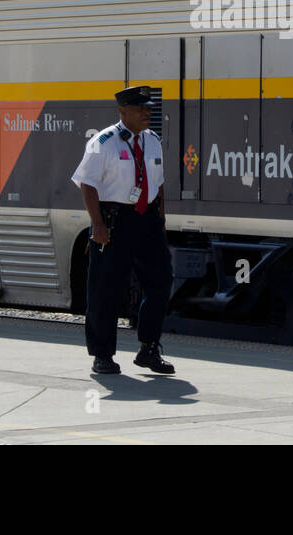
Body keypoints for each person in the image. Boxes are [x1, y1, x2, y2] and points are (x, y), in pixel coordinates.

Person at [71, 85, 176, 375]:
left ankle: (148, 348)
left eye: (149, 109)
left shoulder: (153, 140)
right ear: (122, 111)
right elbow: (87, 183)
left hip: (148, 219)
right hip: (114, 221)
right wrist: (98, 224)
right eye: (141, 109)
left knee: (161, 281)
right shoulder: (103, 142)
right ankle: (102, 354)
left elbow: (159, 181)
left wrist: (161, 219)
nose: (147, 113)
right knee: (106, 288)